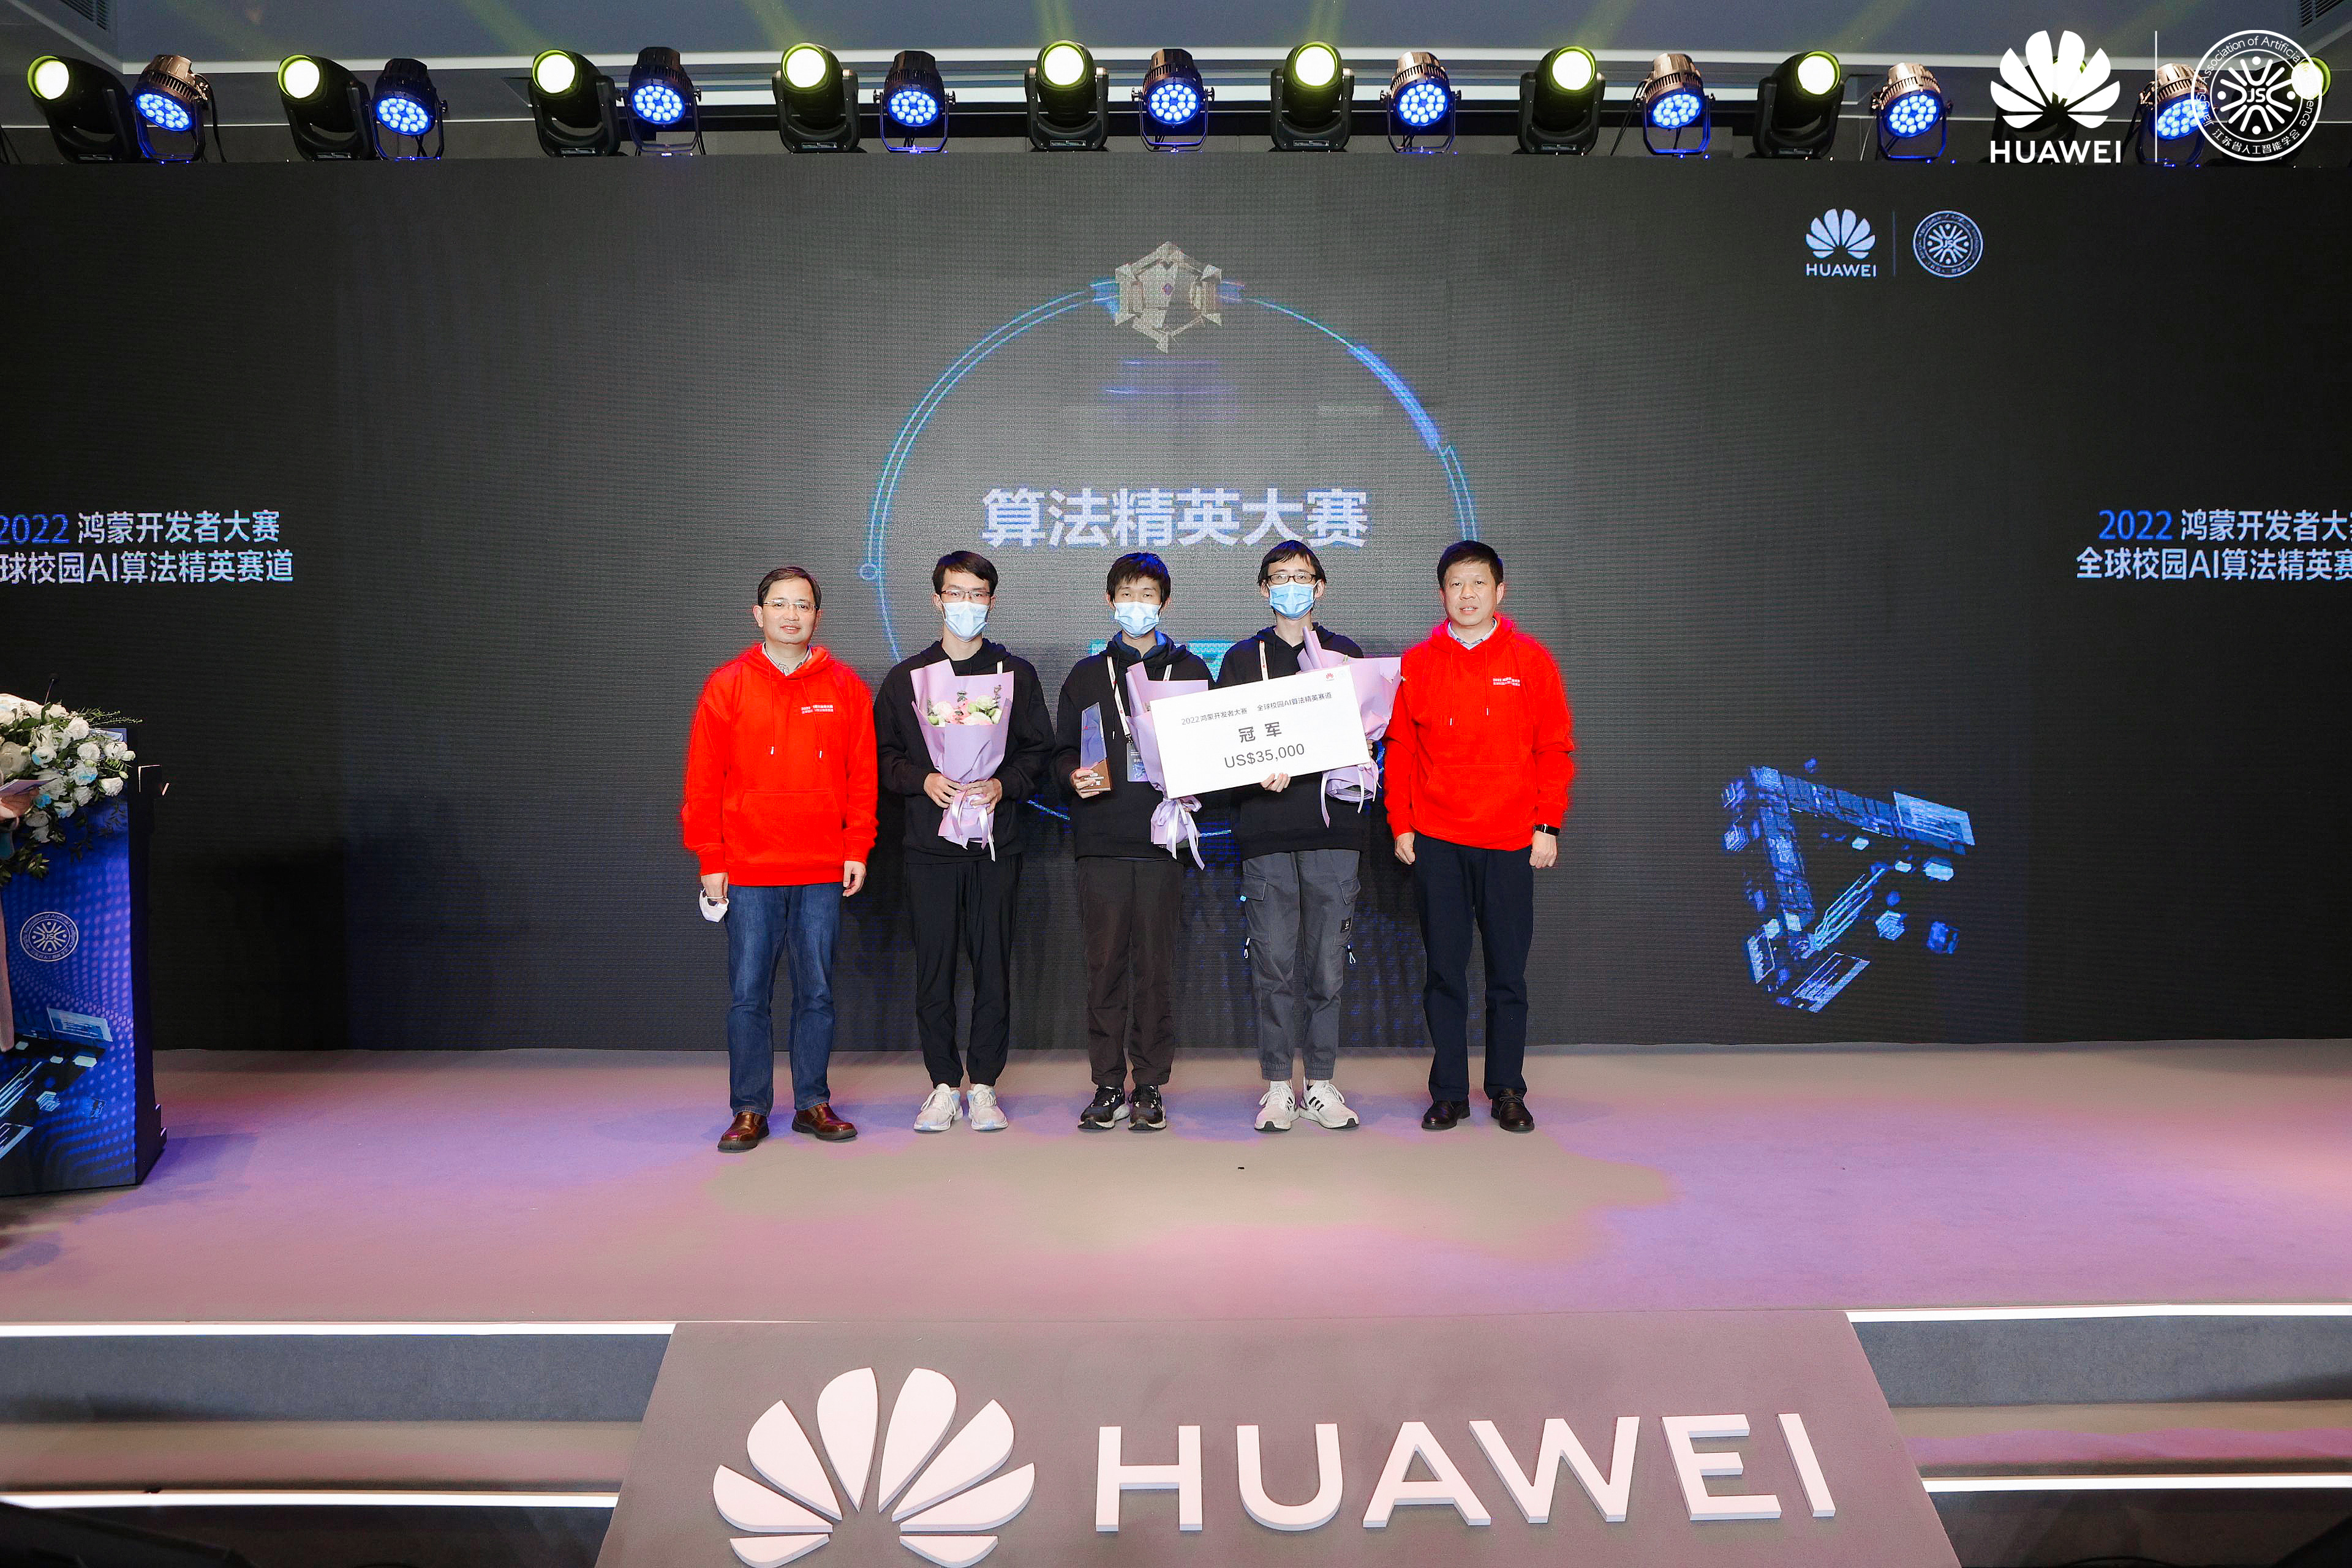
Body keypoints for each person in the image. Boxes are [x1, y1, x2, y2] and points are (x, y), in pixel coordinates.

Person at [682, 566, 876, 1152]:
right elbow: (703, 781)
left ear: (818, 616)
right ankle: (749, 1108)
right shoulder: (727, 685)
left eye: (803, 605)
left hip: (821, 866)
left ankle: (813, 1102)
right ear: (758, 613)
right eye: (780, 604)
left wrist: (857, 846)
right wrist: (711, 857)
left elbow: (862, 777)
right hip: (748, 868)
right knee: (749, 995)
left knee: (817, 992)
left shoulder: (845, 687)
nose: (792, 615)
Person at [1384, 541, 1574, 1134]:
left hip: (1510, 839)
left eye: (1478, 584)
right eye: (1456, 585)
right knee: (1444, 972)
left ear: (1500, 591)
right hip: (1438, 839)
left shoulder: (1531, 660)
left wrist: (1547, 824)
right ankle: (1448, 1093)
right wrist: (1401, 822)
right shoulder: (1418, 662)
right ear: (1441, 594)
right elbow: (1401, 749)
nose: (1467, 595)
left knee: (1507, 973)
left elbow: (1554, 748)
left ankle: (1507, 1089)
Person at [872, 551, 1054, 1134]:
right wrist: (922, 779)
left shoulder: (1015, 674)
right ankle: (943, 1085)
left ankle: (986, 1086)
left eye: (977, 594)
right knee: (935, 968)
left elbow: (1039, 752)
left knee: (993, 966)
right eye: (956, 593)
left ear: (991, 602)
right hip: (930, 848)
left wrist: (1005, 784)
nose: (966, 604)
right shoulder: (907, 678)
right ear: (937, 600)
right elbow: (883, 757)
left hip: (996, 845)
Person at [1052, 551, 1212, 1133]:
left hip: (1164, 839)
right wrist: (1071, 775)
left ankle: (1149, 1084)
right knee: (1104, 969)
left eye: (1148, 594)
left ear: (1164, 602)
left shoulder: (1192, 671)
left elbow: (1214, 752)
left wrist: (1197, 779)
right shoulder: (1086, 674)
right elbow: (1060, 753)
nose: (1137, 604)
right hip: (1102, 839)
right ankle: (1106, 1083)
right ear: (1110, 601)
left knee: (1156, 970)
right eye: (1127, 594)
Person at [1213, 541, 1367, 1133]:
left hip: (1334, 830)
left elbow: (1368, 734)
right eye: (1280, 578)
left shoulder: (1346, 656)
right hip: (1267, 832)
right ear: (1264, 588)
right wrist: (1252, 769)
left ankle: (1321, 1083)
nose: (1291, 587)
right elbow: (1221, 745)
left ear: (1320, 587)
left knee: (1328, 967)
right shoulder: (1240, 659)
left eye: (1302, 577)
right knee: (1274, 966)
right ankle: (1279, 1084)